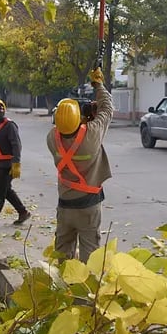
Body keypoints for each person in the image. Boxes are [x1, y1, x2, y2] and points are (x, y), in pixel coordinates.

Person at [46, 67, 113, 262]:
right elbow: (107, 108)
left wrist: (81, 119)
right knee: (90, 252)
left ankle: (61, 286)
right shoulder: (91, 135)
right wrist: (98, 85)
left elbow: (65, 128)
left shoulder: (52, 138)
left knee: (63, 251)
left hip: (65, 205)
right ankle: (86, 290)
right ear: (79, 118)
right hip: (88, 207)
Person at [0, 99, 32, 230]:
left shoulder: (10, 126)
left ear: (4, 110)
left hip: (8, 165)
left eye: (1, 108)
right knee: (6, 191)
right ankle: (23, 212)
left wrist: (16, 164)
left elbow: (16, 145)